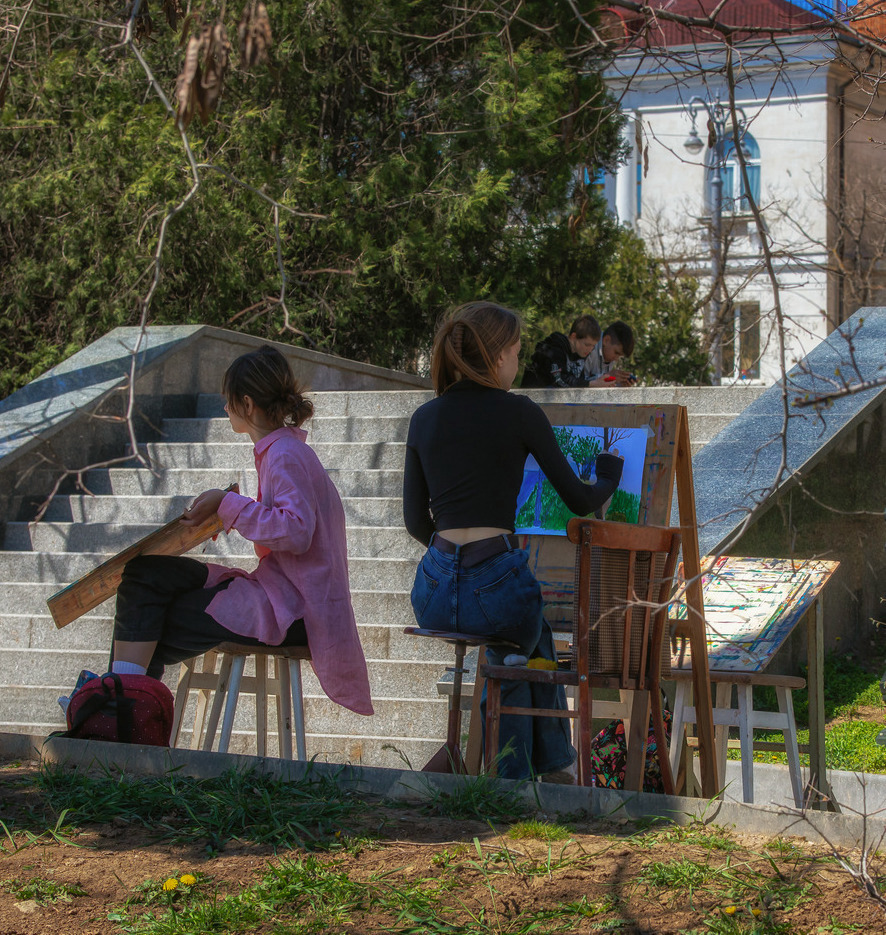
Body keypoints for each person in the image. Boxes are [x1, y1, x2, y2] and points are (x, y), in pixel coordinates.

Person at [403, 302, 624, 782]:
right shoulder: (518, 412)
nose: (518, 363)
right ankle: (520, 777)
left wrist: (454, 564)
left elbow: (413, 521)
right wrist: (609, 475)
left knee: (529, 637)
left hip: (433, 592)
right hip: (497, 586)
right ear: (499, 354)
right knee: (520, 641)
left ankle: (551, 771)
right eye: (517, 352)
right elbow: (580, 501)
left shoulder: (424, 418)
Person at [107, 345, 374, 718]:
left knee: (147, 619)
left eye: (228, 401)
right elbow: (283, 522)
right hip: (277, 593)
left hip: (296, 611)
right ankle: (121, 716)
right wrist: (225, 513)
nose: (224, 408)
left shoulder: (284, 453)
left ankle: (119, 720)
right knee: (144, 574)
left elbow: (296, 531)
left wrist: (228, 506)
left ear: (247, 405)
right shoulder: (282, 450)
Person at [520, 314, 601, 388]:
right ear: (573, 337)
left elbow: (578, 382)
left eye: (593, 346)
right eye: (587, 345)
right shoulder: (554, 350)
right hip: (535, 398)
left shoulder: (580, 353)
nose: (590, 350)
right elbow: (560, 381)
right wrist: (592, 383)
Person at [582, 320, 636, 387]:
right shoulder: (588, 347)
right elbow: (578, 384)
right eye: (616, 353)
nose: (616, 359)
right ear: (606, 340)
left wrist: (620, 385)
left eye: (620, 356)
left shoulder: (607, 352)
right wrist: (608, 377)